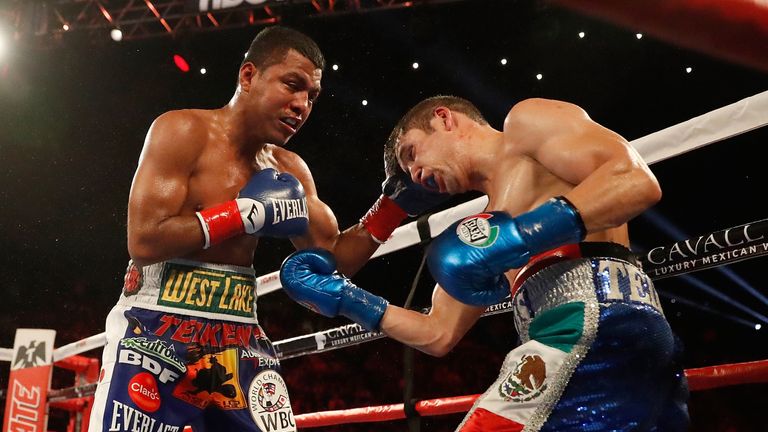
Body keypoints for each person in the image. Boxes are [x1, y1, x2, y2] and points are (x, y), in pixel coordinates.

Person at [88, 26, 444, 432]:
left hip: (239, 332)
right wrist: (242, 214)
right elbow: (144, 240)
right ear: (248, 76)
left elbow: (334, 258)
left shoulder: (290, 170)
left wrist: (392, 207)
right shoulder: (182, 131)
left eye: (311, 96)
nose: (301, 105)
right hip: (155, 325)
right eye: (292, 85)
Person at [279, 95, 690, 430]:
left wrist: (522, 234)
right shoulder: (481, 231)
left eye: (412, 154)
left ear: (444, 119)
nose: (417, 173)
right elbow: (438, 333)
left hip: (597, 320)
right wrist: (345, 297)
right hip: (581, 332)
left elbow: (636, 181)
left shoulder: (525, 125)